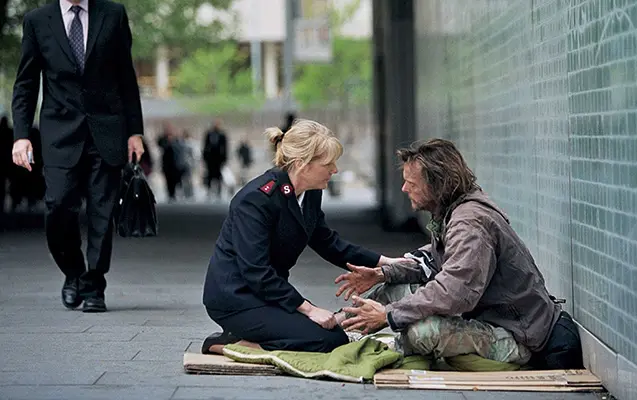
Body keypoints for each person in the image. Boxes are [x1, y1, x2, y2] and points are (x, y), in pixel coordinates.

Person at [337, 139, 583, 369]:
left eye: (411, 184)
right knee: (393, 289)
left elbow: (453, 292)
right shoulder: (453, 210)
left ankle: (388, 345)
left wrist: (389, 315)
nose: (404, 188)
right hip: (486, 316)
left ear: (437, 185)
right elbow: (435, 260)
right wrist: (383, 273)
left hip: (517, 335)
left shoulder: (469, 224)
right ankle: (341, 328)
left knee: (421, 332)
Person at [201, 119, 408, 354]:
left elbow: (328, 242)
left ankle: (251, 336)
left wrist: (386, 262)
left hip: (269, 294)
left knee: (330, 334)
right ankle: (235, 344)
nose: (335, 170)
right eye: (328, 164)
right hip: (237, 298)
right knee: (327, 340)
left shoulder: (309, 194)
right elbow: (255, 271)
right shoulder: (255, 200)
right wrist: (308, 309)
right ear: (302, 164)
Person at [11, 0, 145, 312]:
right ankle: (73, 273)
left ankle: (94, 286)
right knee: (58, 206)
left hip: (107, 129)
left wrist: (134, 131)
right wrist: (21, 136)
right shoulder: (37, 21)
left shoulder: (112, 14)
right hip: (59, 133)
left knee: (102, 210)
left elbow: (126, 76)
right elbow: (26, 83)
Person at [202, 119, 228, 199]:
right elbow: (205, 146)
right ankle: (209, 190)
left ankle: (219, 191)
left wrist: (224, 159)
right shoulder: (209, 134)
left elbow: (225, 148)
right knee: (209, 176)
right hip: (210, 160)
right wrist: (205, 158)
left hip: (218, 160)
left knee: (218, 176)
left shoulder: (222, 135)